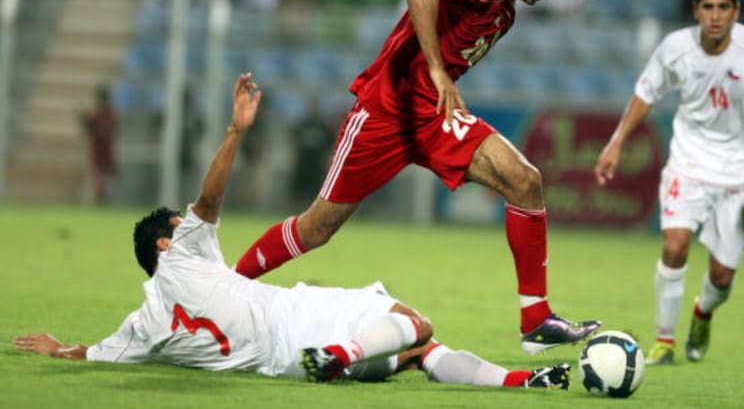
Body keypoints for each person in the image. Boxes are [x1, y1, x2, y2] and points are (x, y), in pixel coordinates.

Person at [14, 73, 571, 391]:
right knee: (414, 321)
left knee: (418, 351)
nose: (190, 228)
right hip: (296, 322)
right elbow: (209, 199)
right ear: (166, 243)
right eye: (180, 228)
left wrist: (55, 348)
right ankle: (344, 351)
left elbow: (89, 353)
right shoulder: (182, 257)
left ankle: (521, 382)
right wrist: (235, 131)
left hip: (280, 363)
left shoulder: (141, 328)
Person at [234, 0, 600, 355]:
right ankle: (227, 286)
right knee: (316, 229)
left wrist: (440, 81)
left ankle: (536, 319)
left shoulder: (505, 16)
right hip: (385, 112)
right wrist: (435, 69)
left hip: (432, 116)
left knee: (525, 181)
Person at [594, 0, 744, 366]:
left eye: (723, 7)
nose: (716, 15)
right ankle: (664, 341)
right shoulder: (675, 47)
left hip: (742, 174)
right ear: (696, 10)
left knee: (721, 277)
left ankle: (703, 311)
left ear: (736, 11)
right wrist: (616, 143)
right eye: (708, 7)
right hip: (688, 163)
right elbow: (644, 93)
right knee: (674, 245)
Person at [80, 85, 117, 204]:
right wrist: (83, 119)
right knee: (99, 176)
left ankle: (103, 198)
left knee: (104, 177)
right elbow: (89, 129)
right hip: (98, 150)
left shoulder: (109, 114)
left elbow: (108, 131)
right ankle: (99, 198)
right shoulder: (99, 114)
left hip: (106, 150)